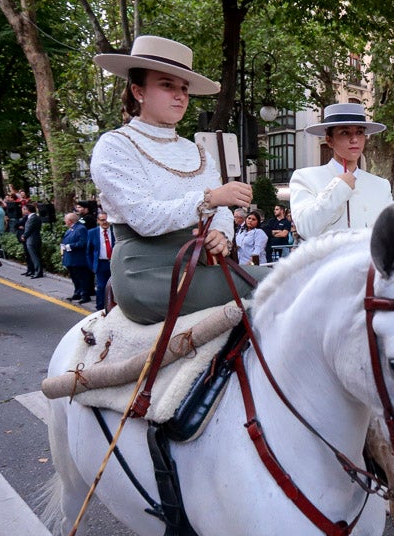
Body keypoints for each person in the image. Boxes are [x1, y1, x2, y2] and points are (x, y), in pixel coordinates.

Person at [91, 35, 267, 325]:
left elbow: (221, 212)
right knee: (276, 281)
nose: (180, 95)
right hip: (144, 275)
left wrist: (222, 235)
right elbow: (144, 218)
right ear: (138, 91)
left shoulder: (196, 151)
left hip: (197, 268)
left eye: (184, 88)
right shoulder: (115, 146)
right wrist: (209, 198)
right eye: (167, 85)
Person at [289, 102, 393, 240]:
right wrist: (338, 188)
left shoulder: (380, 185)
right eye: (345, 132)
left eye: (360, 132)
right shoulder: (305, 177)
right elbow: (306, 228)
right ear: (329, 140)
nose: (354, 139)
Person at [86, 211, 116, 311]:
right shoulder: (92, 233)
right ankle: (100, 308)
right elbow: (88, 251)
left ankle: (114, 307)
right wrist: (92, 266)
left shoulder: (115, 231)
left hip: (114, 263)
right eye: (102, 220)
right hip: (100, 264)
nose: (105, 222)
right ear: (98, 221)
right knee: (101, 287)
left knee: (115, 286)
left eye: (107, 220)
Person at [61, 212, 92, 303]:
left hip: (78, 258)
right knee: (75, 277)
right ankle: (77, 293)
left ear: (70, 221)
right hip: (70, 258)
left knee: (82, 277)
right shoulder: (71, 229)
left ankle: (85, 295)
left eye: (66, 220)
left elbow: (83, 242)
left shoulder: (80, 228)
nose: (65, 222)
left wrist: (70, 246)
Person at [20, 202, 43, 277]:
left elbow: (29, 228)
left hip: (32, 239)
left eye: (24, 209)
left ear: (28, 210)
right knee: (33, 256)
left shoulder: (33, 218)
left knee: (35, 256)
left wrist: (24, 236)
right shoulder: (32, 217)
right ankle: (35, 271)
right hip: (32, 239)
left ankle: (38, 272)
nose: (23, 211)